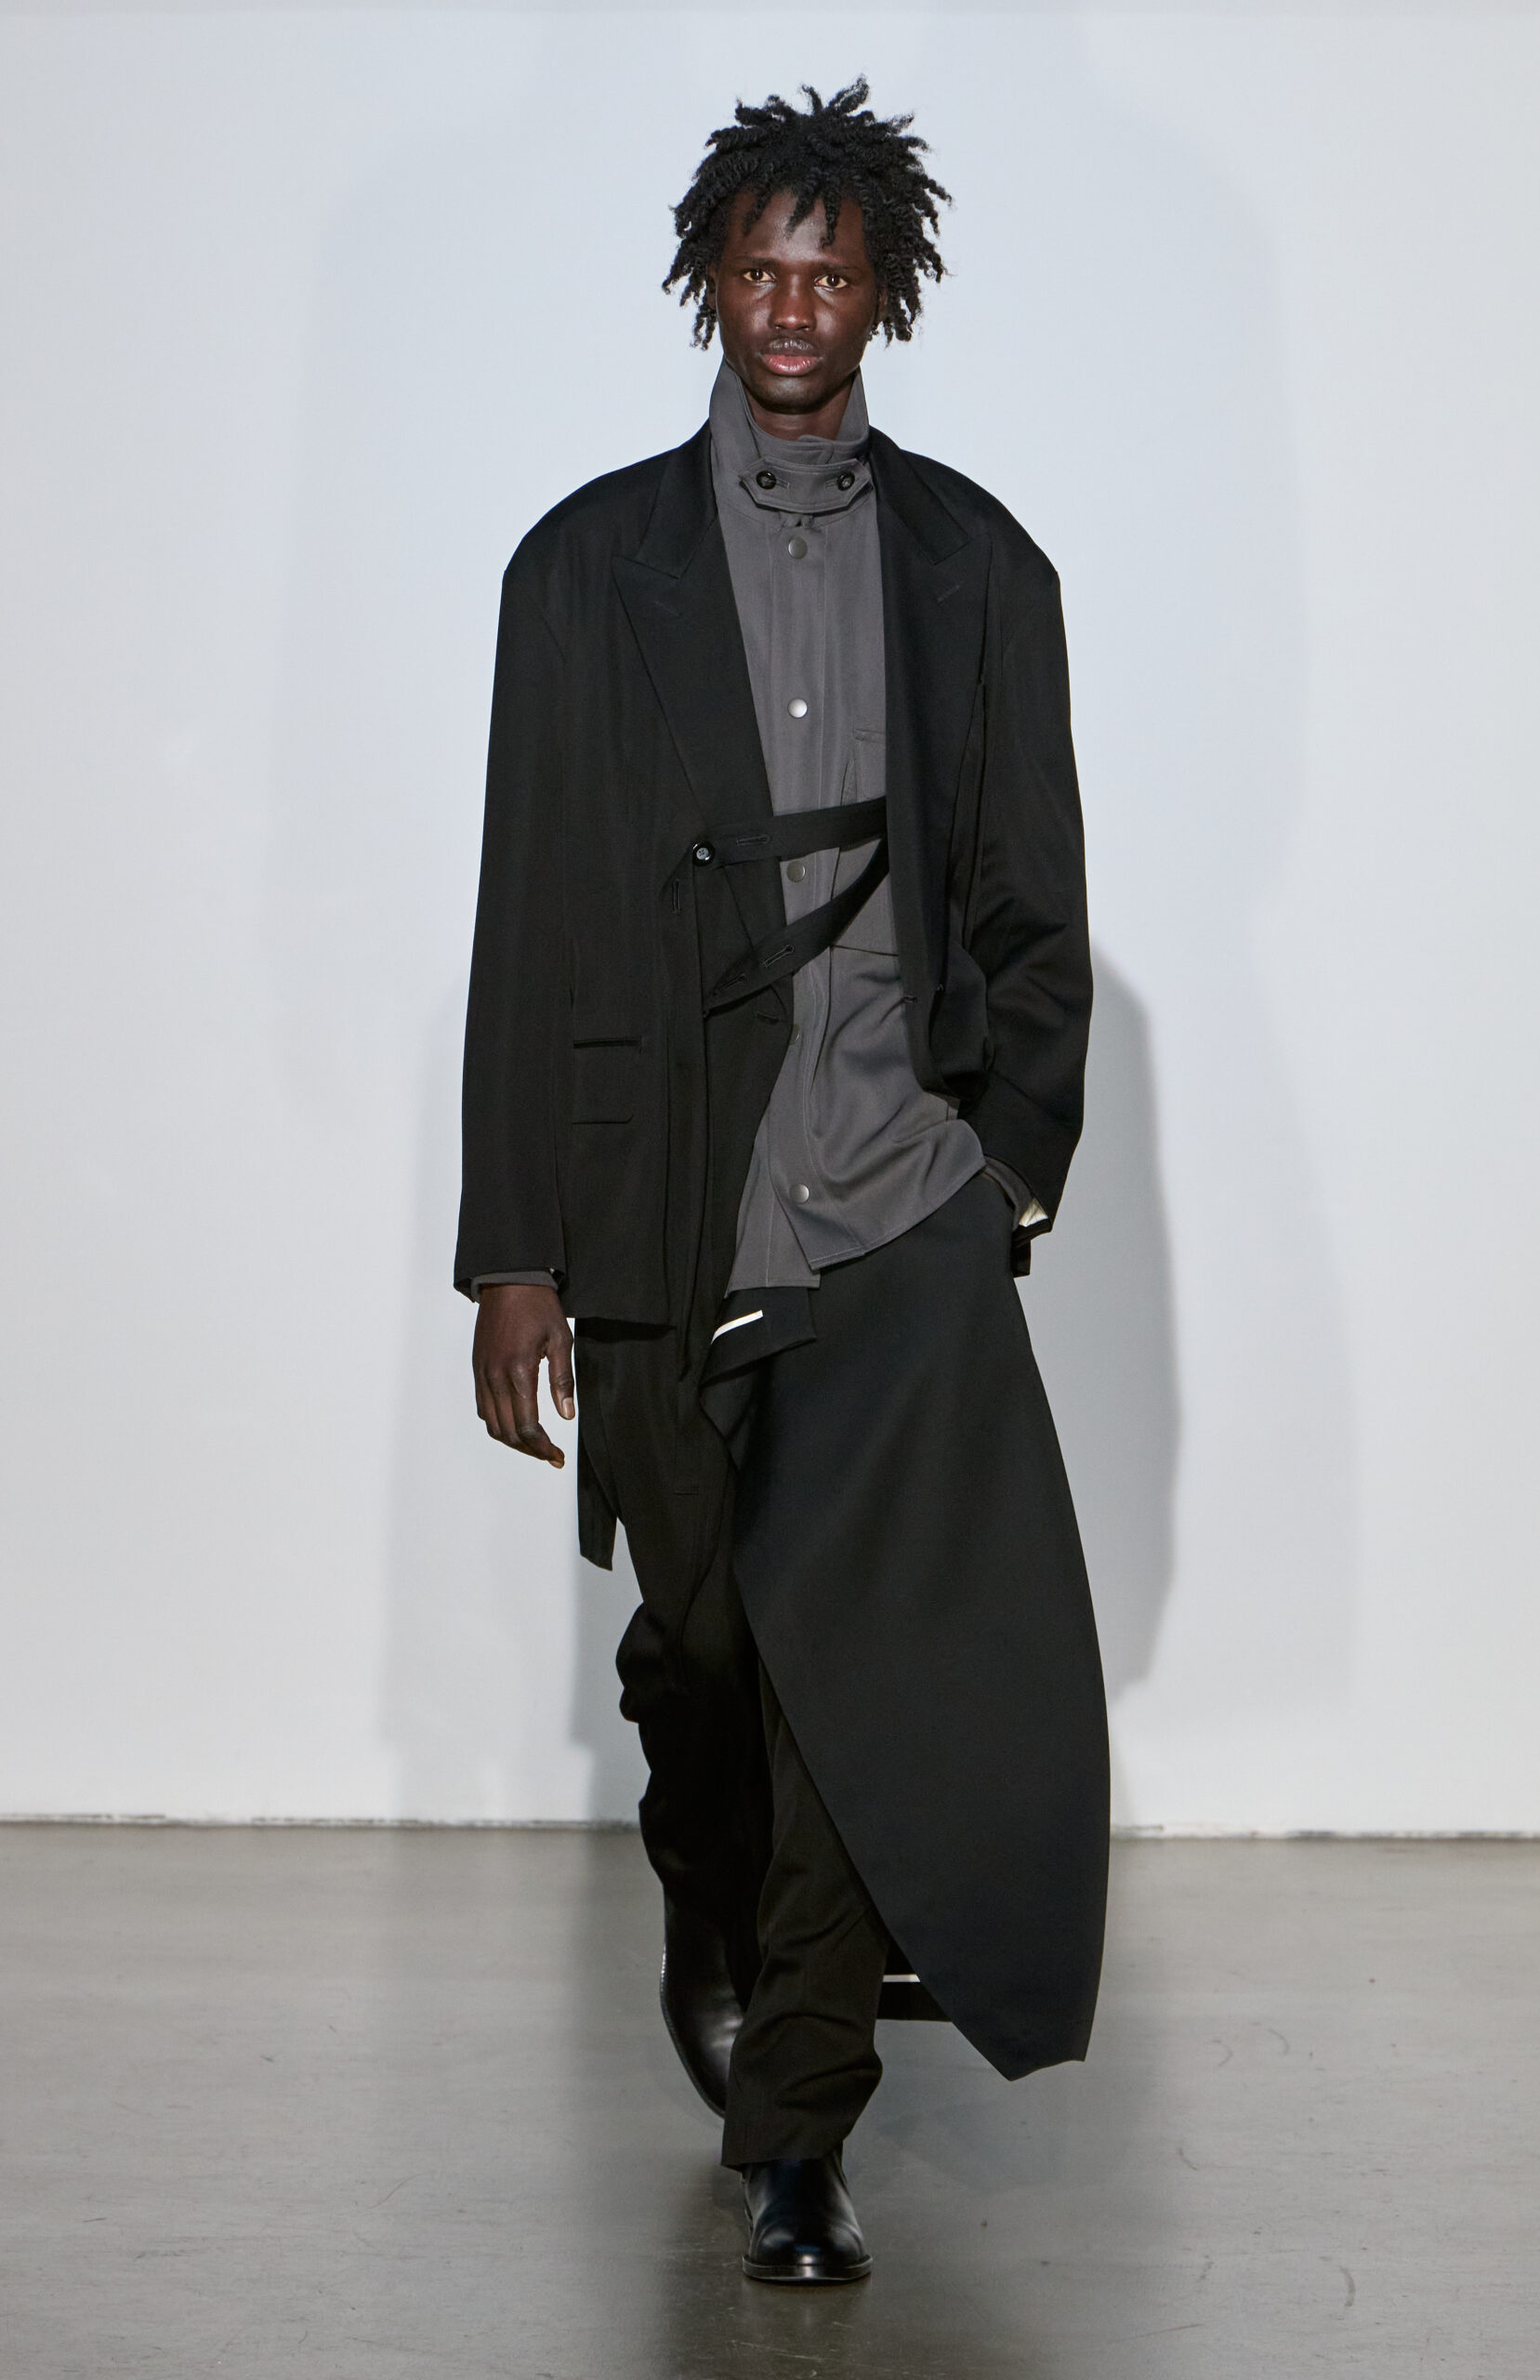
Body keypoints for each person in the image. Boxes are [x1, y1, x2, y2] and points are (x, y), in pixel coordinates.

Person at [456, 79, 1109, 2285]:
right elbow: (530, 917)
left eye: (828, 272)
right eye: (756, 269)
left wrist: (1001, 1176)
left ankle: (796, 2126)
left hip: (896, 1200)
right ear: (707, 285)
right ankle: (707, 1883)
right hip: (663, 1197)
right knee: (708, 1642)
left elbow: (1032, 904)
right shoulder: (583, 571)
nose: (790, 306)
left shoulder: (977, 569)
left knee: (845, 1663)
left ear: (884, 291)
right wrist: (514, 1252)